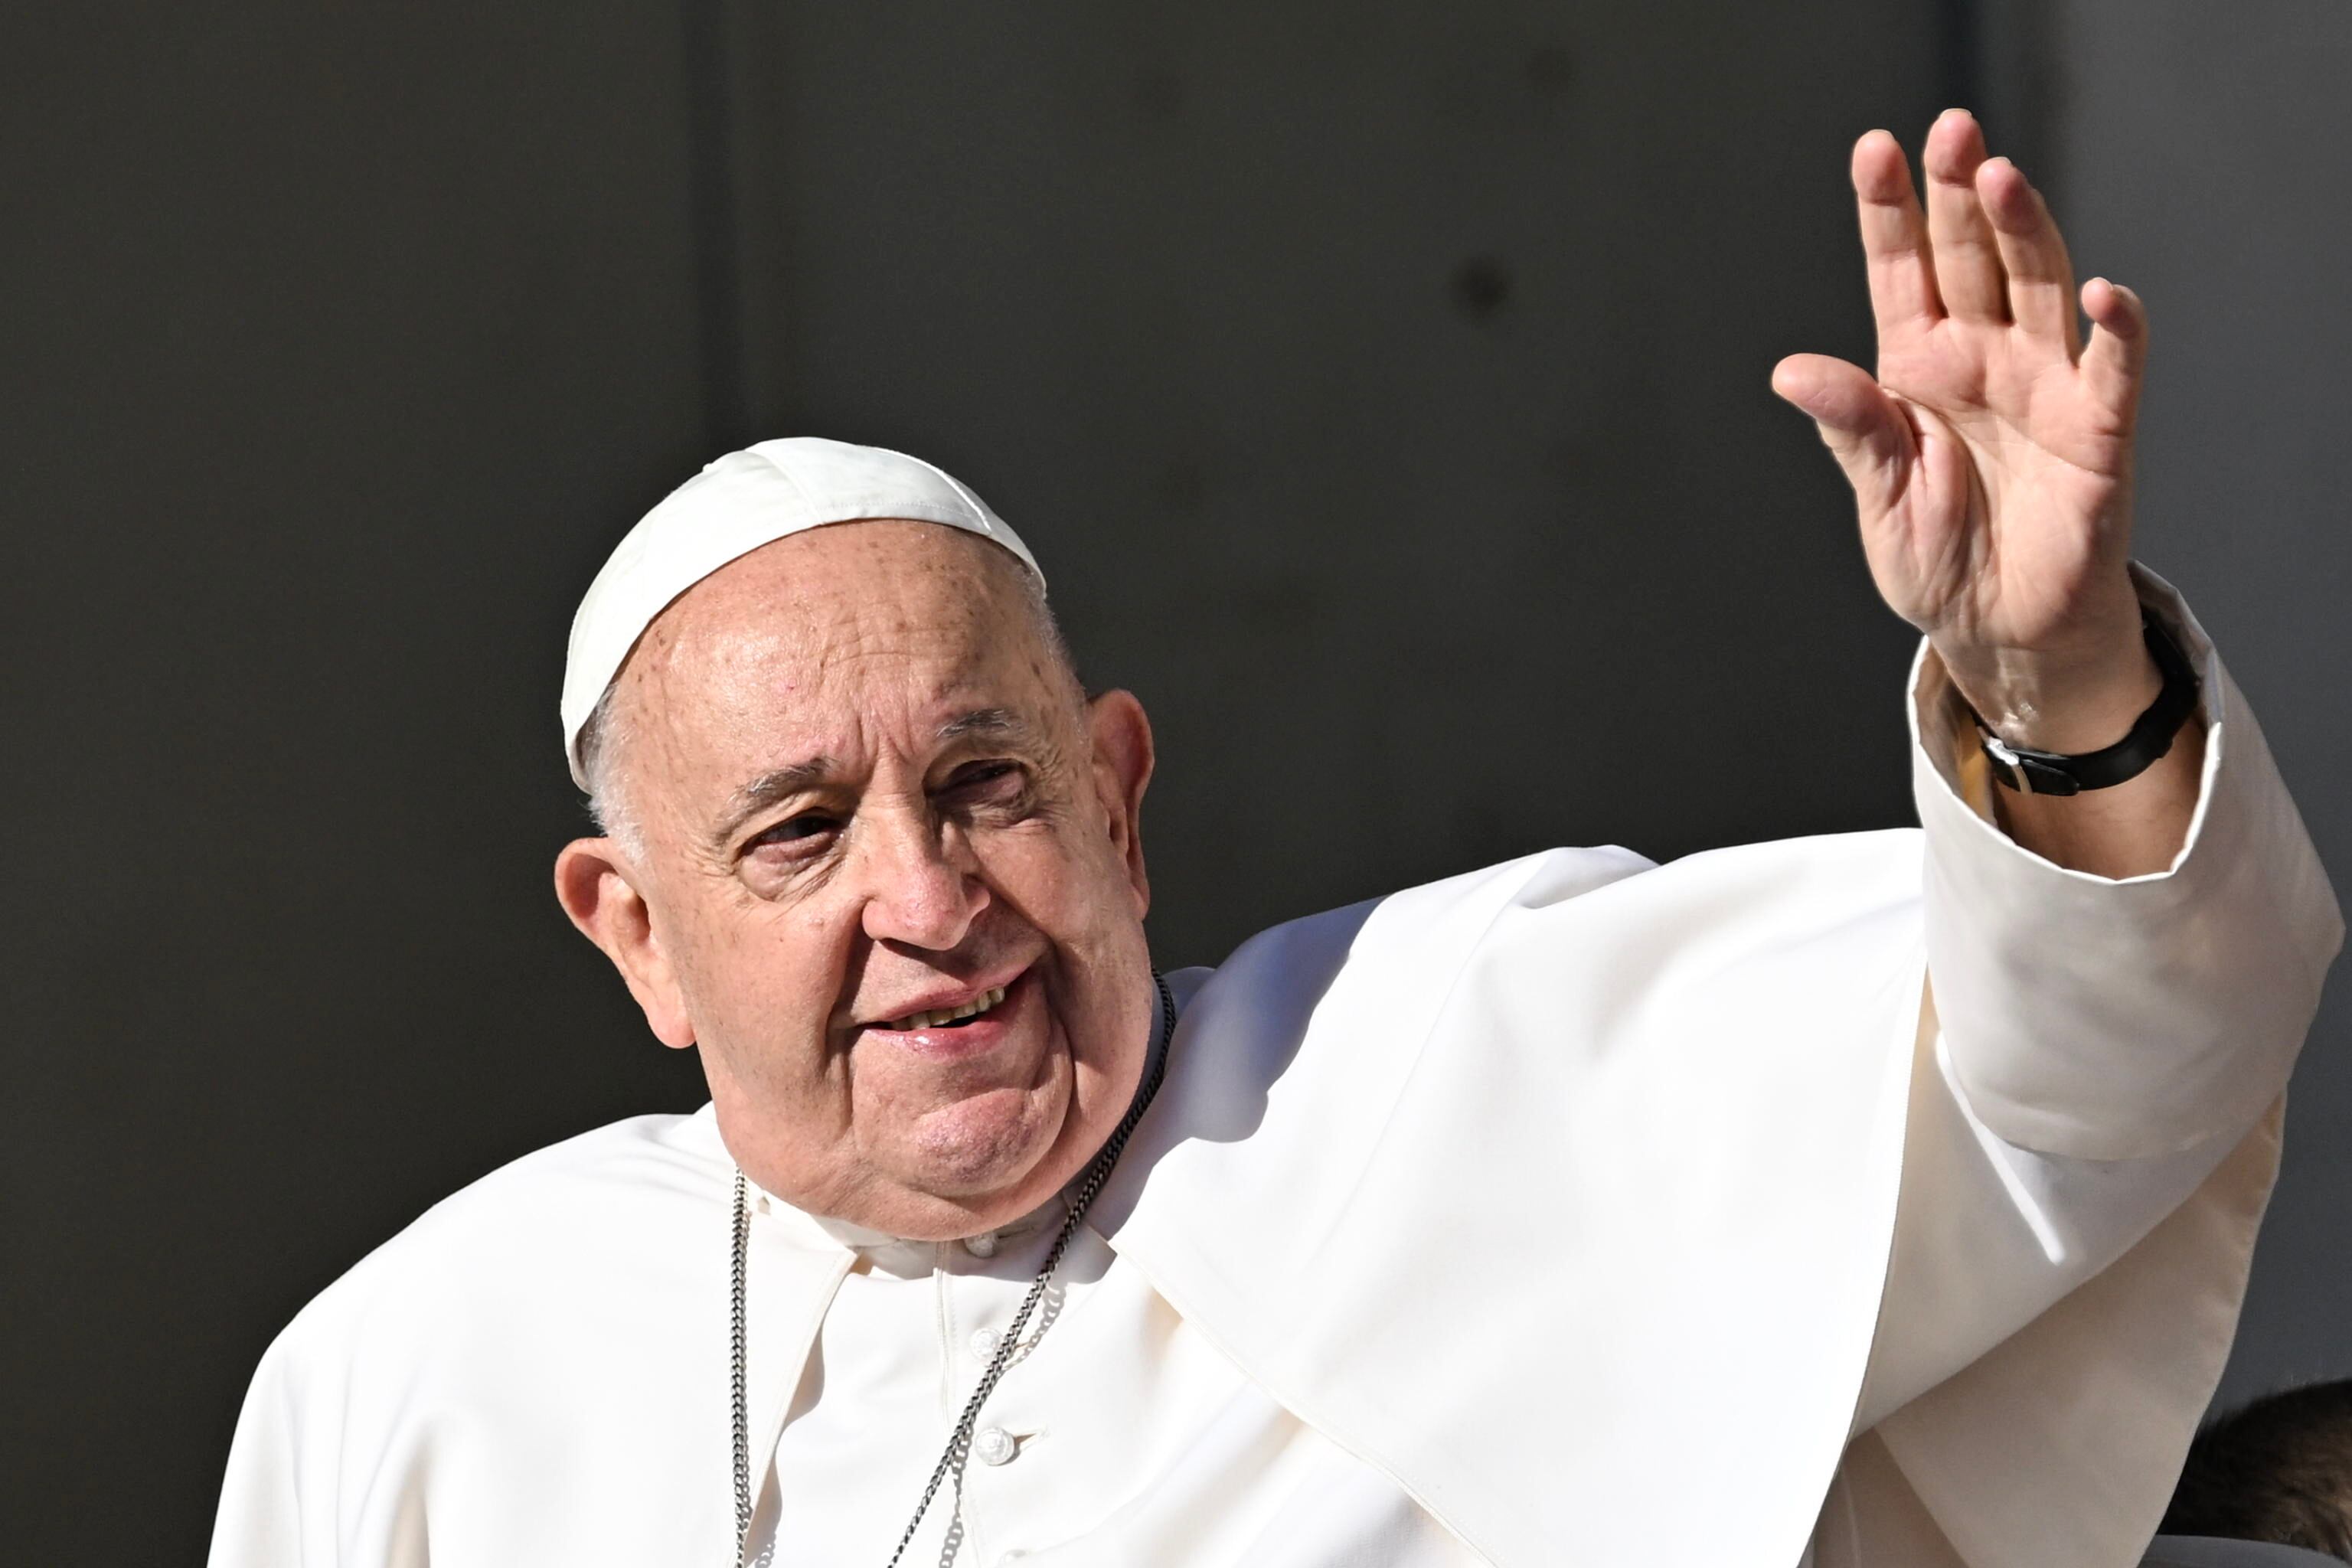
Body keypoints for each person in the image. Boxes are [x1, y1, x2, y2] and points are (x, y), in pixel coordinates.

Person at [207, 111, 2341, 1568]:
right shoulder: (420, 1374)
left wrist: (2054, 674)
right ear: (636, 933)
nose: (929, 906)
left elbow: (2100, 1077)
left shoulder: (1465, 1058)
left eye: (987, 784)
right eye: (798, 836)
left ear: (1122, 802)